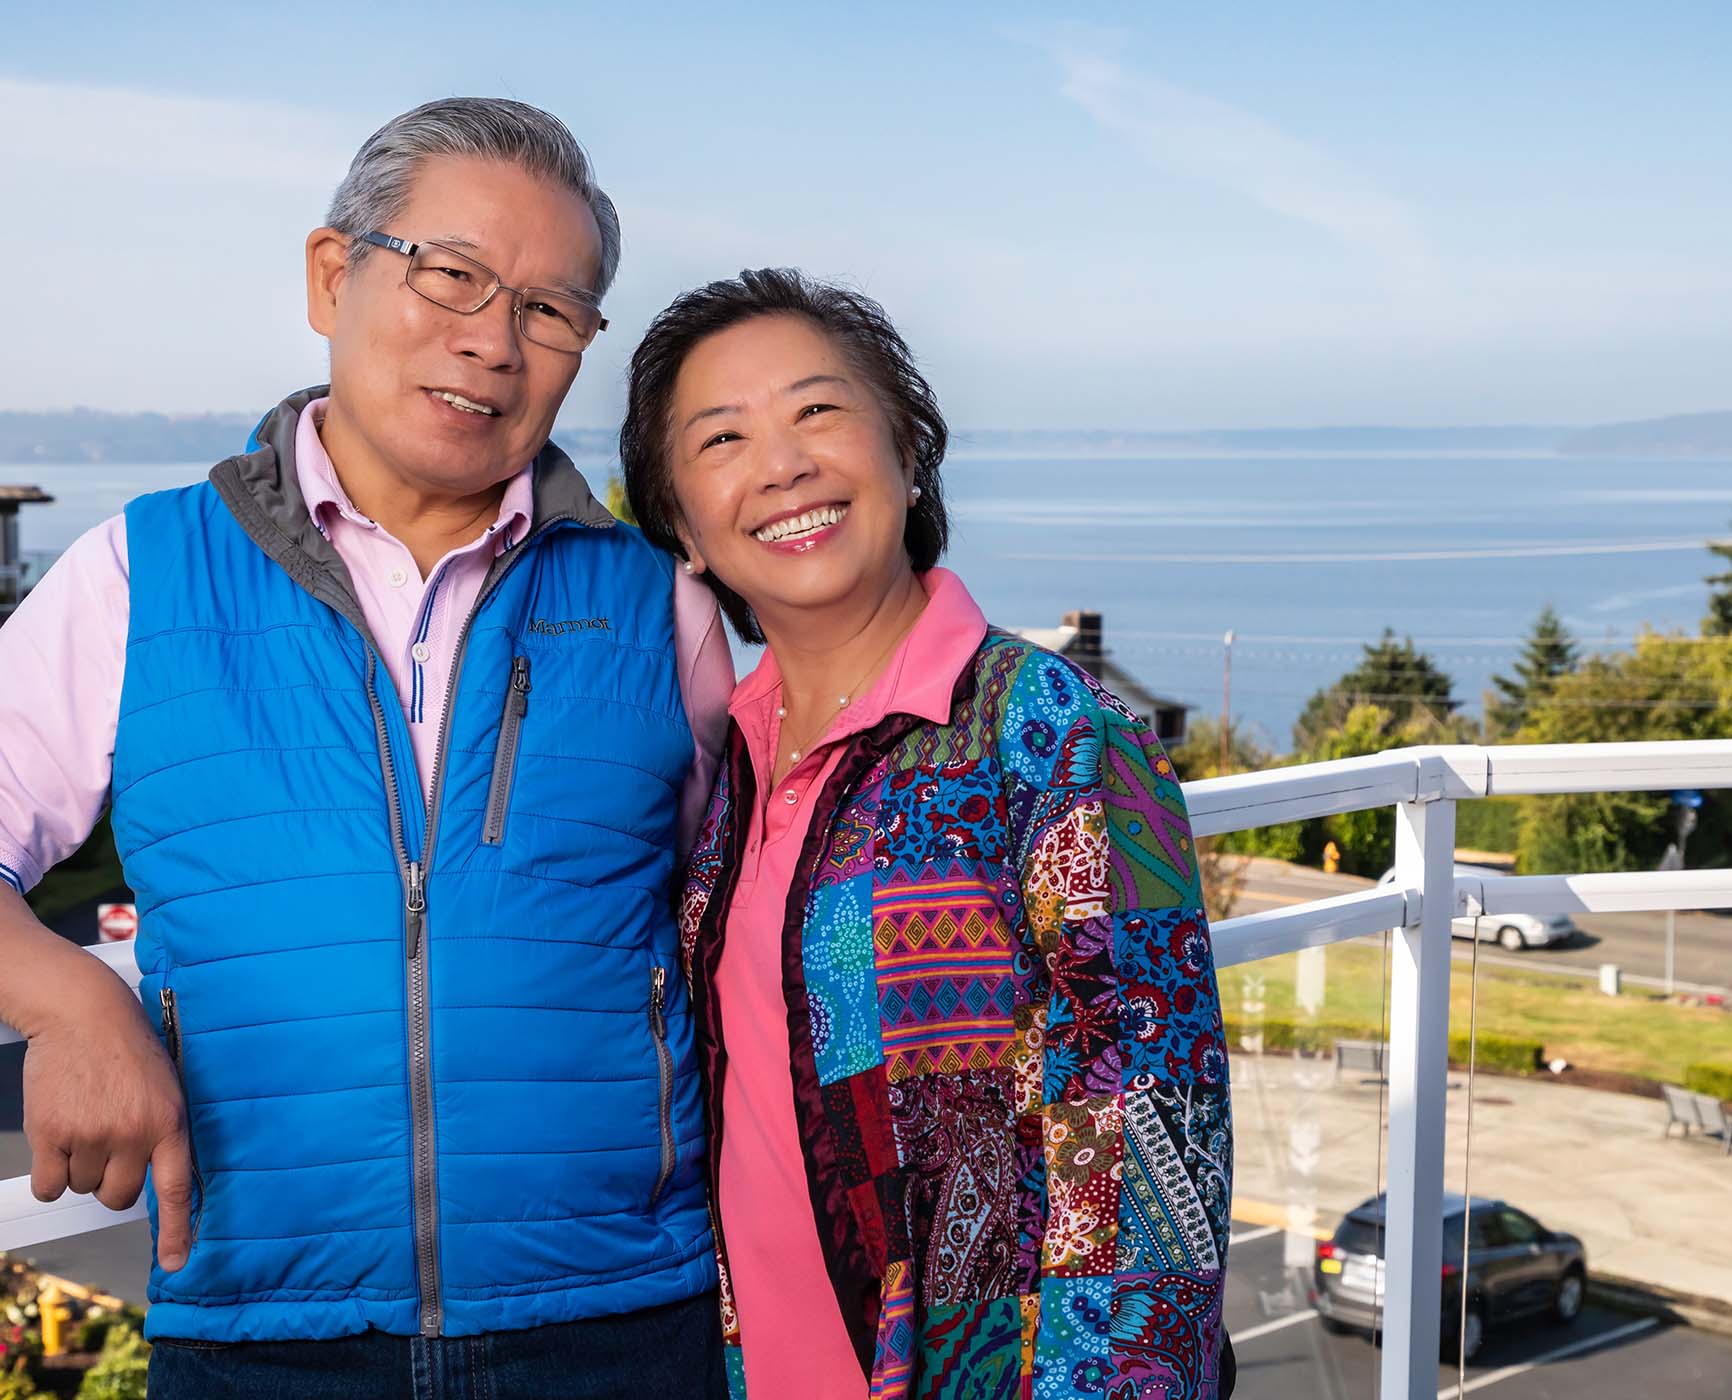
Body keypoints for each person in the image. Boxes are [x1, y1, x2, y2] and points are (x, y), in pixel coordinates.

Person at [0, 99, 732, 1398]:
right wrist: (69, 999)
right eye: (452, 274)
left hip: (619, 1328)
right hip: (258, 1336)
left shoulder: (655, 604)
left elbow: (734, 921)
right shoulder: (141, 572)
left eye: (551, 311)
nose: (493, 342)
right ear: (332, 274)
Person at [618, 268, 1233, 1398]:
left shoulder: (1048, 733)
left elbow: (1150, 1148)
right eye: (720, 439)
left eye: (817, 409)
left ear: (907, 451)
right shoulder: (719, 760)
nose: (782, 463)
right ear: (684, 532)